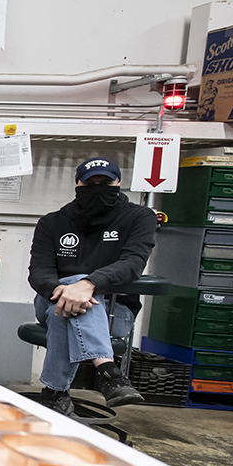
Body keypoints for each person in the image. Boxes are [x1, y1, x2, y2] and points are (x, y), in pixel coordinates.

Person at [27, 157, 157, 416]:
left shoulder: (139, 217)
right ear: (77, 184)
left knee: (66, 310)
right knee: (69, 294)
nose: (98, 187)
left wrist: (88, 284)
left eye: (106, 182)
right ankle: (109, 373)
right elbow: (39, 272)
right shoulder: (52, 222)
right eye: (90, 182)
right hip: (53, 299)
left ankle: (55, 393)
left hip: (114, 310)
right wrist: (67, 290)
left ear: (118, 183)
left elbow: (132, 263)